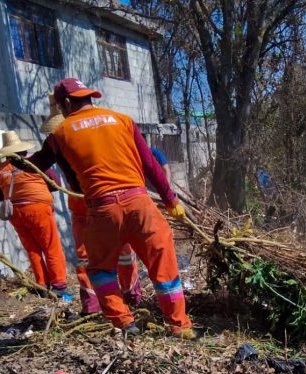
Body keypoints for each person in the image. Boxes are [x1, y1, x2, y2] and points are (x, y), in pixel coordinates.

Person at [23, 78, 193, 339]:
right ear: (88, 96)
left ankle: (125, 323)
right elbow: (150, 164)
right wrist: (171, 201)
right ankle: (180, 326)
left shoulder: (59, 134)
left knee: (101, 270)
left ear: (66, 103)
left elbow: (37, 165)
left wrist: (15, 162)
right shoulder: (123, 120)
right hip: (140, 205)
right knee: (164, 264)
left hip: (102, 211)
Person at [39, 95, 141, 316]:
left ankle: (99, 303)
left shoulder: (62, 139)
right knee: (118, 248)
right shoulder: (81, 137)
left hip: (92, 202)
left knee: (92, 255)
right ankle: (127, 297)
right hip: (96, 202)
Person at [0, 131, 69, 295]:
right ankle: (59, 285)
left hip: (16, 214)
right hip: (38, 209)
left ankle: (42, 285)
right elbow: (56, 183)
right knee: (51, 246)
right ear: (23, 151)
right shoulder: (34, 163)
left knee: (32, 249)